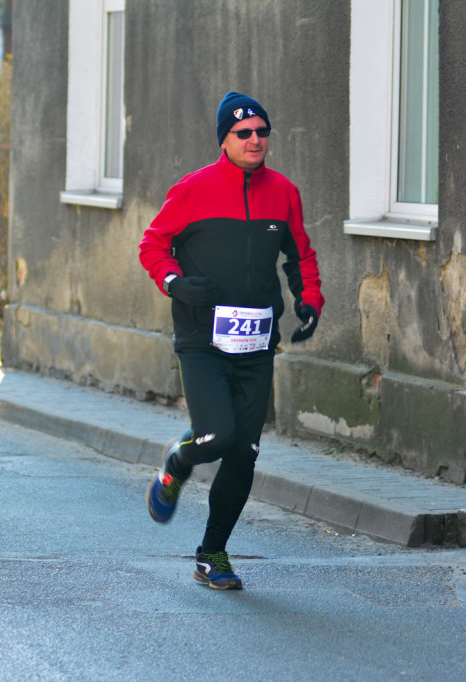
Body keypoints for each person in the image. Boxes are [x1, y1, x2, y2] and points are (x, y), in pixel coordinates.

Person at [138, 92, 324, 589]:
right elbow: (153, 244)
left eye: (262, 132)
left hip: (257, 344)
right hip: (202, 339)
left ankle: (212, 554)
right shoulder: (193, 189)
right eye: (244, 133)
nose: (255, 140)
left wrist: (309, 302)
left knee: (244, 453)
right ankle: (179, 460)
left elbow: (300, 256)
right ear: (225, 138)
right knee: (216, 437)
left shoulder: (283, 192)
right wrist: (176, 283)